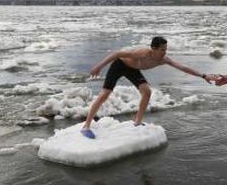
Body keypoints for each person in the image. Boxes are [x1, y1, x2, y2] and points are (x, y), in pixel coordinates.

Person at [81, 36, 215, 138]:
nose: (164, 52)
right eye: (162, 50)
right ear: (154, 49)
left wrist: (203, 76)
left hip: (133, 70)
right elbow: (116, 54)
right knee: (105, 94)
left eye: (166, 49)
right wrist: (98, 67)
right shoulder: (141, 53)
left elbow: (183, 67)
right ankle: (86, 126)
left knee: (147, 92)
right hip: (119, 65)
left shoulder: (164, 60)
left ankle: (137, 122)